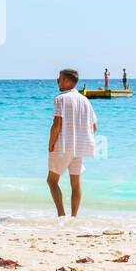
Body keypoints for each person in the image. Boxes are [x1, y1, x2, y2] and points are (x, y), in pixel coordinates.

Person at [47, 68, 98, 217]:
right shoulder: (85, 100)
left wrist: (51, 144)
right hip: (79, 148)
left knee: (52, 181)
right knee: (75, 184)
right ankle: (74, 217)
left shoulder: (60, 99)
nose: (57, 81)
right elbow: (94, 127)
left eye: (59, 78)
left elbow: (57, 125)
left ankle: (61, 216)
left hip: (62, 146)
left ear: (67, 81)